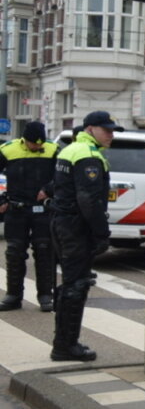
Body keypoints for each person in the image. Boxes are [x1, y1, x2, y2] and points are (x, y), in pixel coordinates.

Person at [48, 112, 122, 361]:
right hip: (76, 228)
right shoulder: (87, 155)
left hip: (62, 223)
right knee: (77, 285)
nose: (111, 135)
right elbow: (89, 201)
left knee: (71, 282)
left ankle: (64, 341)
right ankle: (65, 346)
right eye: (106, 130)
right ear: (91, 129)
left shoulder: (70, 149)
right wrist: (102, 233)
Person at [0, 121, 57, 312]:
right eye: (34, 144)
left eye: (40, 144)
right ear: (25, 140)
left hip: (43, 210)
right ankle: (13, 296)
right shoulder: (8, 150)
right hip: (16, 210)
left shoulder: (54, 150)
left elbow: (64, 176)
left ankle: (45, 295)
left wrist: (49, 190)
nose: (37, 147)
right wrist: (1, 199)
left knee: (44, 252)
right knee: (15, 253)